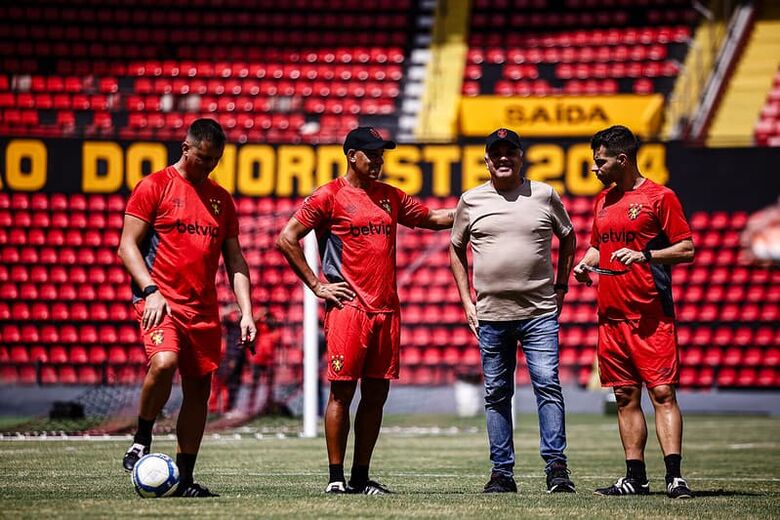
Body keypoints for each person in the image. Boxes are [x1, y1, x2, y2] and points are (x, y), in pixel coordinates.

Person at [276, 127, 454, 495]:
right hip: (349, 310)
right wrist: (317, 285)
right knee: (341, 394)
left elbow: (434, 219)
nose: (378, 160)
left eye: (381, 155)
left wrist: (481, 204)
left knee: (376, 397)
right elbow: (286, 237)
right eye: (371, 154)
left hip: (387, 311)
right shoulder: (329, 196)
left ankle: (361, 476)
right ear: (351, 155)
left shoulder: (390, 196)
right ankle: (335, 478)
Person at [118, 118, 256, 497]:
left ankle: (185, 479)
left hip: (204, 311)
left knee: (199, 393)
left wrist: (246, 311)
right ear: (186, 148)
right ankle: (142, 436)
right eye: (203, 158)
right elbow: (127, 246)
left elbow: (236, 262)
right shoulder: (154, 186)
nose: (208, 166)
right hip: (160, 303)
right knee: (163, 362)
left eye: (215, 160)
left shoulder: (221, 200)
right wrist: (150, 290)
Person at [449, 128, 577, 494]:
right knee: (497, 393)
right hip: (491, 316)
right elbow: (455, 248)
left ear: (521, 157)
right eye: (497, 153)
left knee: (547, 385)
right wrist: (466, 301)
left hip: (539, 313)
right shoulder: (470, 200)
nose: (503, 158)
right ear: (487, 160)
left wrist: (563, 285)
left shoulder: (544, 195)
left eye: (511, 152)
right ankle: (502, 472)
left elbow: (568, 237)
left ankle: (556, 468)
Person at [572, 125, 695, 499]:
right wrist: (584, 263)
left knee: (662, 394)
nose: (595, 168)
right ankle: (635, 477)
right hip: (611, 317)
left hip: (650, 315)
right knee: (624, 396)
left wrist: (646, 255)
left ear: (622, 159)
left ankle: (674, 476)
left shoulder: (661, 197)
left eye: (600, 161)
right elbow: (599, 247)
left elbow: (686, 248)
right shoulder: (603, 202)